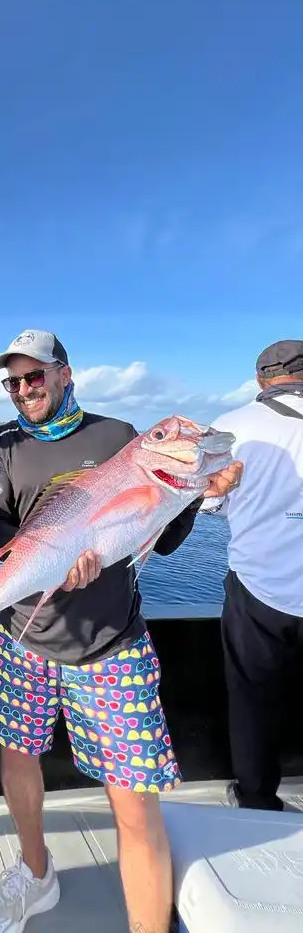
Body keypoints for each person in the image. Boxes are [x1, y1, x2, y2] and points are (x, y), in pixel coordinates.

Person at [0, 328, 243, 933]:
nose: (23, 390)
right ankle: (35, 872)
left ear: (65, 373)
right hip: (21, 637)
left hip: (110, 646)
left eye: (35, 376)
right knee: (18, 760)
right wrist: (42, 556)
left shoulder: (119, 437)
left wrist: (198, 493)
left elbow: (163, 539)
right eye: (12, 382)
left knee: (133, 799)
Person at [205, 339, 303, 812]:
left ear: (262, 380)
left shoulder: (230, 427)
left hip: (258, 586)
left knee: (252, 698)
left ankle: (258, 798)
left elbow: (208, 501)